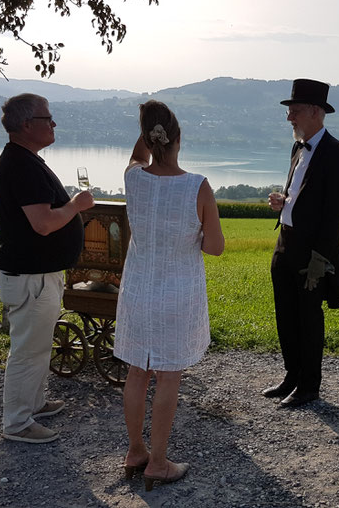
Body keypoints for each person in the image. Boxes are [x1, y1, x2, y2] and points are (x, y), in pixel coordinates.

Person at [114, 100, 225, 490]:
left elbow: (136, 155)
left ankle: (135, 450)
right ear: (178, 140)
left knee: (137, 372)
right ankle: (158, 462)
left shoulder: (133, 178)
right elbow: (214, 247)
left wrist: (147, 133)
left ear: (148, 139)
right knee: (169, 377)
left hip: (138, 290)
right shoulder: (198, 186)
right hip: (176, 293)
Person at [0, 93, 95, 443]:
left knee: (36, 346)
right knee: (28, 350)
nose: (53, 124)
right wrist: (76, 206)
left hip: (35, 273)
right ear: (26, 125)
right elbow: (43, 223)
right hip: (30, 275)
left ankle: (33, 403)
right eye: (47, 119)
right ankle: (18, 423)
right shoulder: (22, 165)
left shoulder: (24, 159)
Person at [263, 79, 339, 408]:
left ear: (315, 112)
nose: (289, 118)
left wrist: (320, 261)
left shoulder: (337, 153)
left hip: (311, 253)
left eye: (295, 111)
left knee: (308, 318)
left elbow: (333, 215)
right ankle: (291, 375)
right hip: (284, 243)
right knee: (285, 314)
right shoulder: (297, 147)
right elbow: (303, 198)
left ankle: (309, 385)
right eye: (289, 111)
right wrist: (282, 202)